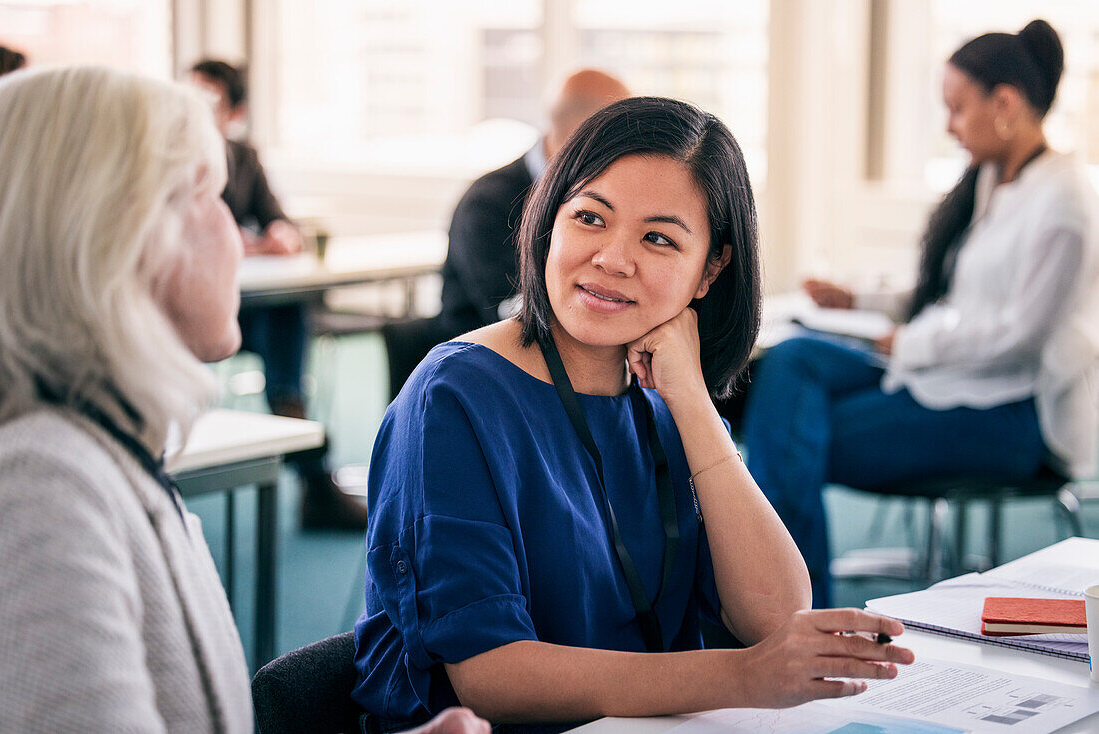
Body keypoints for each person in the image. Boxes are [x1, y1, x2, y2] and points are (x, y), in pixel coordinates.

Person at [353, 97, 913, 731]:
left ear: (711, 269)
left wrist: (694, 406)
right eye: (590, 217)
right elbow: (490, 677)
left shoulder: (664, 397)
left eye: (658, 238)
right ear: (550, 219)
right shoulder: (454, 398)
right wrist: (742, 675)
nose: (613, 258)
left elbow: (777, 615)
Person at [0, 65, 489, 734]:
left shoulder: (110, 452)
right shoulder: (42, 487)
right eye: (214, 199)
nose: (236, 235)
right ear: (120, 234)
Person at [742, 19, 1099, 608]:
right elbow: (954, 295)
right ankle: (798, 607)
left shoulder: (1064, 205)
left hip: (1008, 414)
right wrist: (858, 302)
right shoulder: (995, 180)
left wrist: (905, 344)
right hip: (944, 378)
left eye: (957, 109)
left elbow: (1020, 337)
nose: (950, 126)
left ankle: (796, 615)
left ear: (1004, 103)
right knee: (794, 360)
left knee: (786, 437)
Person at [188, 59, 368, 529]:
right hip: (188, 312)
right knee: (285, 315)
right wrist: (247, 243)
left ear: (234, 111)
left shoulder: (243, 157)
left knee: (286, 308)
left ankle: (298, 436)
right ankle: (303, 449)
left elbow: (276, 217)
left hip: (245, 312)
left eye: (208, 102)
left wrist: (281, 233)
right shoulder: (171, 157)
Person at [383, 69, 630, 399]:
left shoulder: (600, 201)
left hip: (557, 378)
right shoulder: (489, 203)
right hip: (479, 382)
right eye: (621, 141)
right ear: (579, 137)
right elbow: (515, 309)